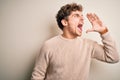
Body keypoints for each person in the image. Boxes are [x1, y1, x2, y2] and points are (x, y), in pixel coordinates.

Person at [31, 3, 119, 80]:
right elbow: (37, 76)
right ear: (65, 22)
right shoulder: (48, 45)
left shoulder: (88, 45)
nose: (82, 19)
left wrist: (103, 31)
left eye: (82, 16)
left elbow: (113, 58)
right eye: (76, 16)